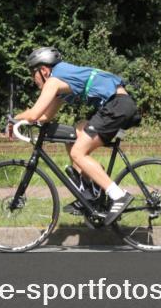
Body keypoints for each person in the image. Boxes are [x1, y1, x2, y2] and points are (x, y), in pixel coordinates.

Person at [9, 46, 141, 223]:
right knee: (75, 132)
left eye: (33, 73)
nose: (33, 79)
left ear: (44, 70)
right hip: (119, 105)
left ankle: (118, 195)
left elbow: (34, 114)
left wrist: (13, 120)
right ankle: (90, 192)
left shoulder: (54, 81)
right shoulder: (63, 81)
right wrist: (28, 121)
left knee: (78, 153)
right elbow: (45, 116)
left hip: (116, 106)